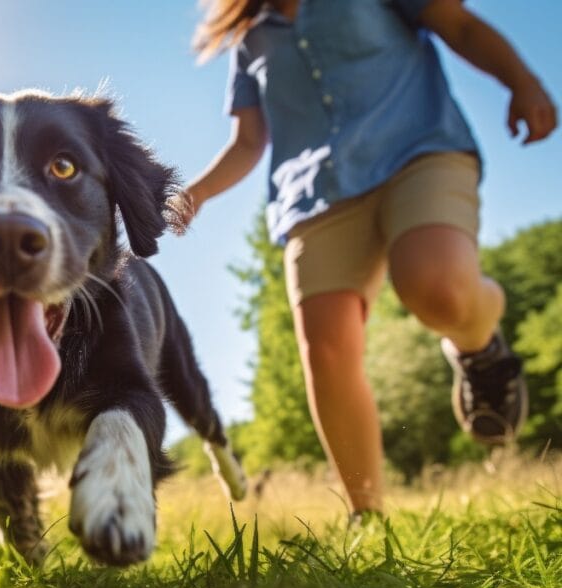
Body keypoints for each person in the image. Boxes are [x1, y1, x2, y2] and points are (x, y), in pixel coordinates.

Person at [172, 0, 557, 517]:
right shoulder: (251, 39)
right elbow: (248, 142)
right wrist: (192, 195)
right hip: (314, 193)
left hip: (416, 152)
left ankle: (480, 347)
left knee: (437, 286)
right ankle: (367, 515)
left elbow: (458, 25)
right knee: (326, 350)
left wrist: (521, 80)